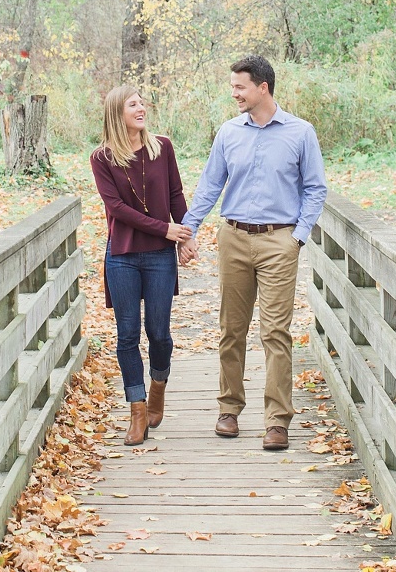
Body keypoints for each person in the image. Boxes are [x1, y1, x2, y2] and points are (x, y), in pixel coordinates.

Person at [179, 55, 327, 451]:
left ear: (263, 88)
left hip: (280, 240)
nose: (234, 94)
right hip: (234, 238)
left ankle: (278, 420)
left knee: (275, 332)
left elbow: (315, 188)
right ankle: (229, 409)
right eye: (233, 87)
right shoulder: (229, 133)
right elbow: (210, 186)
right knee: (232, 329)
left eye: (240, 87)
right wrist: (188, 229)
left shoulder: (300, 132)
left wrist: (298, 236)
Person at [91, 85, 192, 446]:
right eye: (132, 104)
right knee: (128, 335)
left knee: (160, 334)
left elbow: (177, 194)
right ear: (117, 113)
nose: (141, 107)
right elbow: (116, 208)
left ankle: (158, 386)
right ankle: (137, 409)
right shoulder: (102, 158)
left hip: (159, 256)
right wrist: (166, 229)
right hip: (122, 255)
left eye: (142, 102)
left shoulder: (162, 147)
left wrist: (186, 234)